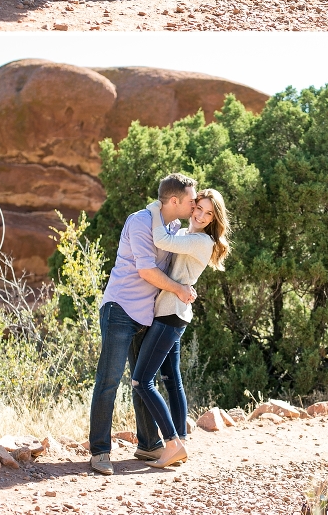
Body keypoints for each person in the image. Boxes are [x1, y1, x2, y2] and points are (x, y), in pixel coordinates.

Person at [88, 173, 199, 476]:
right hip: (120, 309)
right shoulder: (139, 221)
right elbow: (147, 270)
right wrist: (180, 290)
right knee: (109, 381)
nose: (194, 203)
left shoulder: (173, 227)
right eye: (191, 199)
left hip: (147, 314)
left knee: (142, 380)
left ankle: (149, 444)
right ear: (174, 201)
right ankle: (99, 451)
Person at [130, 189, 231, 468]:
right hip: (174, 312)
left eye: (208, 212)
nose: (199, 215)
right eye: (198, 207)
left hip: (170, 316)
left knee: (141, 381)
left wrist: (154, 208)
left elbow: (161, 239)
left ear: (214, 218)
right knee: (171, 379)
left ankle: (173, 443)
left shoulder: (200, 240)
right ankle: (181, 440)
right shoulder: (191, 237)